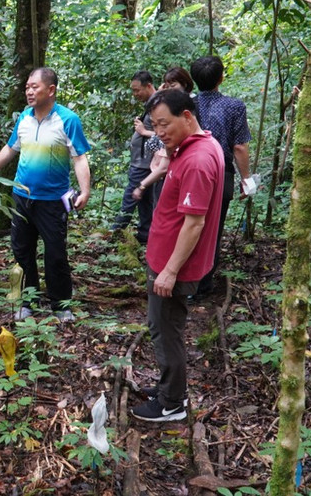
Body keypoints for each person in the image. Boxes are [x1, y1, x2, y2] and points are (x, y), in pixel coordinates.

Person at [131, 88, 224, 422]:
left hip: (175, 266)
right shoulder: (197, 145)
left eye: (164, 124)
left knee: (164, 330)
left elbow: (194, 223)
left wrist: (169, 271)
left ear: (187, 117)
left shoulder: (198, 159)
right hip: (167, 258)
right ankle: (170, 387)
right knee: (165, 327)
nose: (159, 132)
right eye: (154, 125)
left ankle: (172, 404)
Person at [0, 67, 91, 322]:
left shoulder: (68, 119)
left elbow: (79, 158)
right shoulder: (24, 118)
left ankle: (61, 305)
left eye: (35, 87)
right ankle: (27, 301)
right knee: (22, 251)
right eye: (27, 87)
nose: (29, 91)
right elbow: (11, 148)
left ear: (51, 90)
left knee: (55, 253)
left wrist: (85, 190)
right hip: (22, 197)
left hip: (52, 200)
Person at [190, 56, 252, 297]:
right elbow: (239, 147)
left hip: (191, 171)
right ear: (221, 78)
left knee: (189, 223)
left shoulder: (186, 104)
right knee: (212, 228)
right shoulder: (234, 106)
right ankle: (202, 285)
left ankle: (186, 283)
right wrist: (246, 179)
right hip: (220, 172)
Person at [133, 67, 195, 207]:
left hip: (169, 170)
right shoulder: (166, 105)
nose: (160, 132)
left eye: (173, 85)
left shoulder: (188, 106)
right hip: (159, 168)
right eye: (155, 125)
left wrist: (144, 132)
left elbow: (166, 160)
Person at [111, 71, 157, 243]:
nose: (135, 94)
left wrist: (143, 132)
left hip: (145, 163)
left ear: (148, 86)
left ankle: (116, 230)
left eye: (137, 90)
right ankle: (145, 234)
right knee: (144, 200)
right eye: (133, 90)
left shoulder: (158, 105)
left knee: (131, 196)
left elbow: (164, 134)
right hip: (143, 161)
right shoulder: (151, 104)